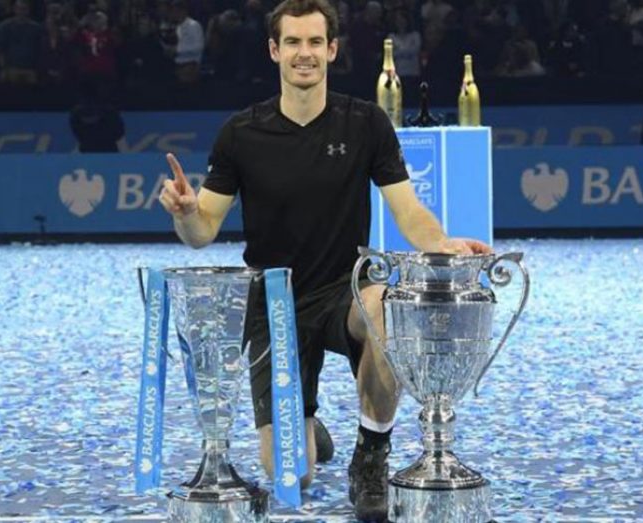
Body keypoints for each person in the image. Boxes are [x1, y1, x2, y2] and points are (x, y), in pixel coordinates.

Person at [157, 0, 492, 520]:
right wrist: (183, 212)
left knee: (387, 305)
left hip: (346, 290)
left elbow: (407, 209)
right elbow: (202, 231)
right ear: (274, 51)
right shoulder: (240, 134)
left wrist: (441, 244)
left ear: (332, 50)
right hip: (271, 301)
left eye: (315, 42)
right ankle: (308, 429)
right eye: (292, 42)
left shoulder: (366, 124)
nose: (304, 53)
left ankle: (371, 455)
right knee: (295, 474)